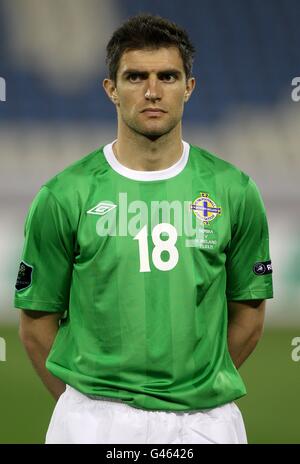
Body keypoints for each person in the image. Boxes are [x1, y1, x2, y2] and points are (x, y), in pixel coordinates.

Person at [14, 13, 273, 444]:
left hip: (205, 421)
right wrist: (88, 406)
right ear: (110, 89)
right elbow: (35, 321)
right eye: (135, 77)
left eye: (168, 76)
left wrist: (193, 386)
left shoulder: (234, 191)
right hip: (94, 421)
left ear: (189, 87)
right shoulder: (65, 195)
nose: (152, 91)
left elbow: (249, 313)